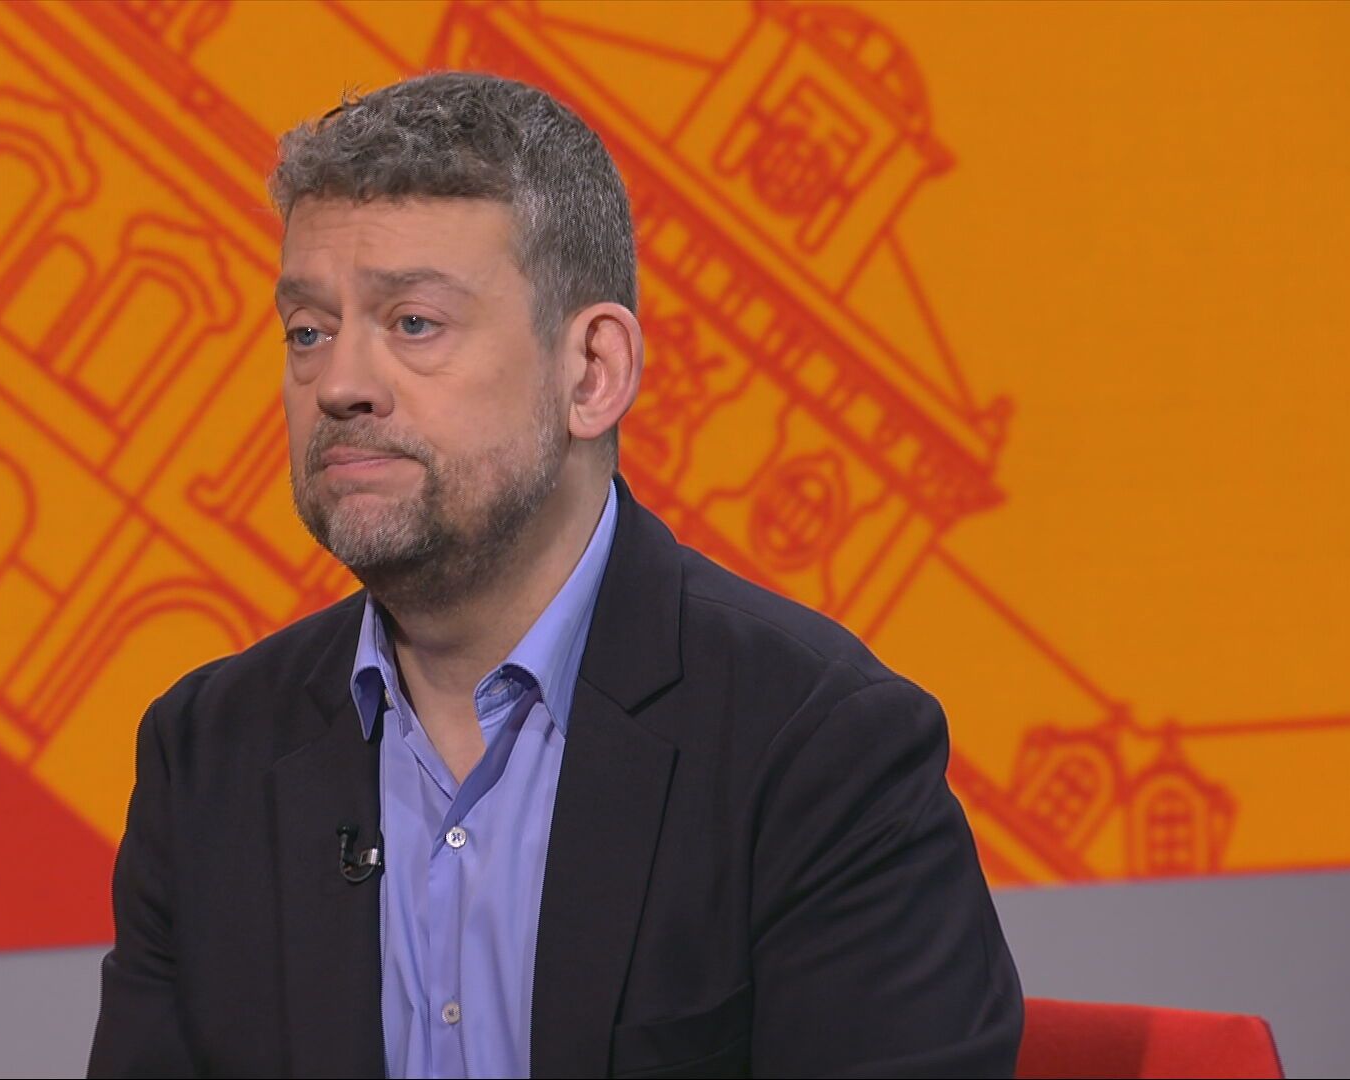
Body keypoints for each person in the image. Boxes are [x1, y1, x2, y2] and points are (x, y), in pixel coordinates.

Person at [88, 71, 1022, 1079]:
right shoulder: (207, 755)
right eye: (309, 331)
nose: (341, 385)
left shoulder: (819, 750)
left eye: (413, 323)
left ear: (592, 373)